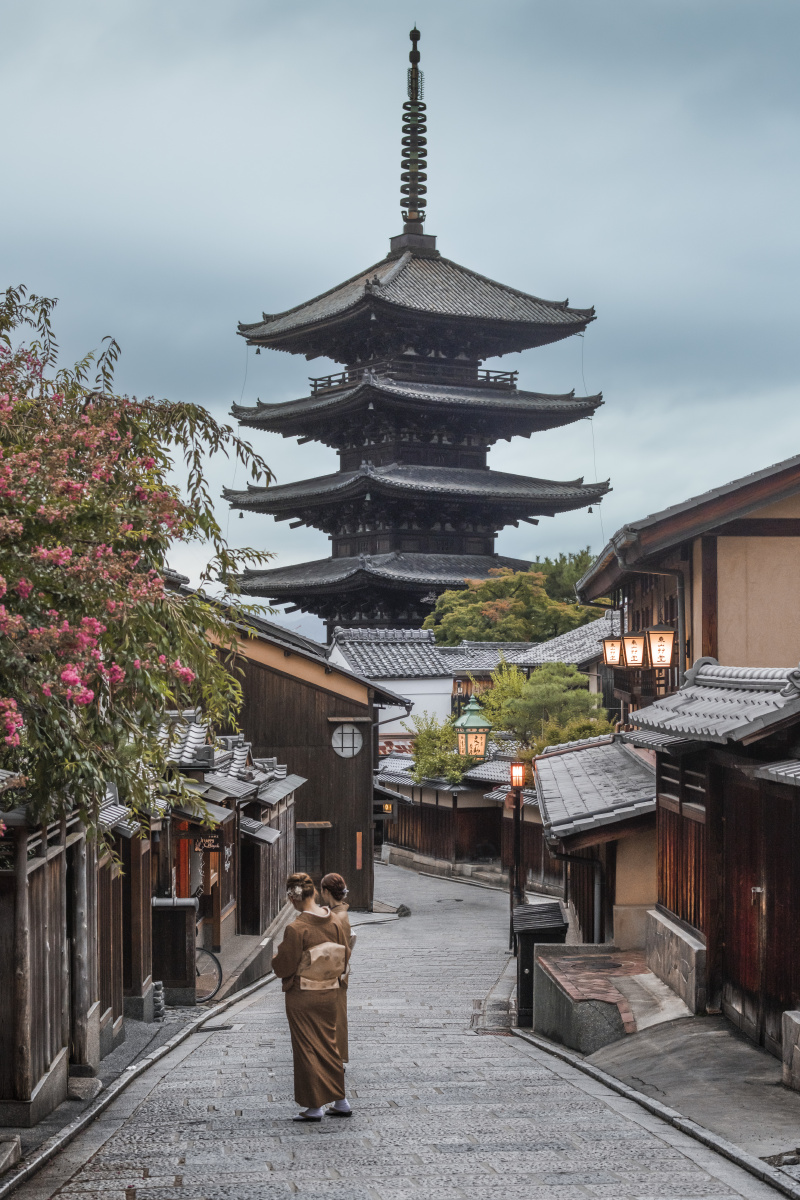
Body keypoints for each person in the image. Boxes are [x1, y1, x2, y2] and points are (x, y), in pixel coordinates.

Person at [272, 872, 352, 1121]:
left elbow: (283, 966)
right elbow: (345, 955)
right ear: (314, 893)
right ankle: (341, 1101)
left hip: (303, 995)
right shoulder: (334, 921)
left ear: (293, 897)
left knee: (307, 1047)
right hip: (329, 992)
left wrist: (276, 959)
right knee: (329, 1045)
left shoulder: (297, 929)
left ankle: (314, 1106)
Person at [320, 873, 353, 1065]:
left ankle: (337, 1060)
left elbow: (342, 951)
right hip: (333, 973)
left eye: (322, 890)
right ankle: (333, 1058)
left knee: (336, 1019)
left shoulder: (339, 917)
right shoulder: (335, 913)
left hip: (334, 975)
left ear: (326, 891)